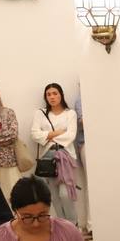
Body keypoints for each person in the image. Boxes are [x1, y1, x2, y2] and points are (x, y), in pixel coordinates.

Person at [29, 83, 81, 224]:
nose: (52, 97)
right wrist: (57, 133)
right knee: (54, 196)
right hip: (47, 158)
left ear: (61, 95)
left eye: (55, 93)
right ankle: (61, 226)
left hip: (65, 156)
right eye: (48, 94)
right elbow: (34, 134)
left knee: (65, 194)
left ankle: (72, 224)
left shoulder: (70, 113)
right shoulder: (40, 113)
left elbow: (70, 136)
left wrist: (47, 136)